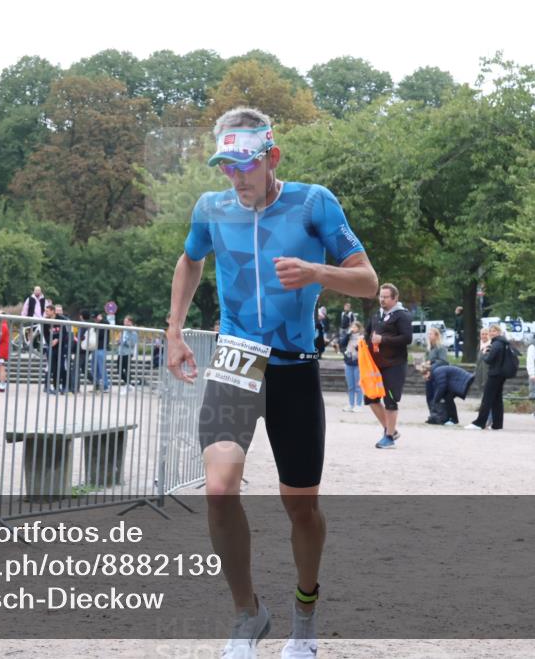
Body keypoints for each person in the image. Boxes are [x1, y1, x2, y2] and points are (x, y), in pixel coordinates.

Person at [165, 107, 377, 658]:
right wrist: (174, 331)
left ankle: (304, 617)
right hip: (236, 358)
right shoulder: (210, 209)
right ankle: (247, 614)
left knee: (300, 506)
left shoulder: (312, 202)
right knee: (217, 489)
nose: (236, 179)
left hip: (294, 364)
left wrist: (317, 272)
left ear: (271, 158)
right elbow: (189, 262)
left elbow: (368, 281)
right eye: (226, 167)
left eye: (245, 166)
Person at [366, 283, 412, 449]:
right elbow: (367, 334)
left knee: (390, 400)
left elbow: (407, 338)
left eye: (385, 297)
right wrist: (362, 347)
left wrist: (383, 340)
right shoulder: (376, 315)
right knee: (370, 398)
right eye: (381, 296)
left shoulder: (402, 316)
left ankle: (389, 437)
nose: (382, 300)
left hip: (395, 364)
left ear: (395, 298)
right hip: (376, 365)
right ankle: (390, 430)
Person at [466, 324, 510, 431]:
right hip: (500, 375)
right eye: (490, 331)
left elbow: (489, 359)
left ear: (498, 332)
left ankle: (479, 422)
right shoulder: (503, 343)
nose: (491, 333)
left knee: (487, 399)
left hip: (494, 374)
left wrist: (485, 353)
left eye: (494, 331)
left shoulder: (496, 344)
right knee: (497, 400)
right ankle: (497, 424)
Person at [422, 361, 474, 425]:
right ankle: (452, 419)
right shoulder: (436, 371)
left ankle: (453, 419)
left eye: (425, 374)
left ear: (428, 371)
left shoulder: (437, 372)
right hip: (464, 380)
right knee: (447, 397)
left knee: (447, 398)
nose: (425, 377)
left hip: (465, 381)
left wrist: (436, 400)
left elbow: (441, 387)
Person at [341, 321, 364, 412]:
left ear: (359, 328)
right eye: (352, 326)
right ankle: (351, 404)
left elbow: (363, 349)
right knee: (350, 386)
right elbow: (342, 343)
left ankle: (358, 405)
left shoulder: (362, 337)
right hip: (348, 362)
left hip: (358, 363)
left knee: (358, 386)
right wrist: (347, 334)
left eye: (355, 327)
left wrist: (358, 346)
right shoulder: (348, 337)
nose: (353, 328)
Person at [117, 315, 139, 393]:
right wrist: (119, 341)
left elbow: (132, 343)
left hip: (128, 353)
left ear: (130, 322)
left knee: (127, 370)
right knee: (119, 370)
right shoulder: (124, 330)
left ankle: (129, 385)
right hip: (121, 352)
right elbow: (120, 340)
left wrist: (123, 342)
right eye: (124, 321)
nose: (124, 323)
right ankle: (129, 385)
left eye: (126, 321)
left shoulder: (134, 331)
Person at [91, 312, 111, 392]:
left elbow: (101, 334)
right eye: (94, 318)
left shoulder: (104, 323)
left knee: (101, 368)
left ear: (100, 316)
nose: (95, 319)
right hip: (95, 347)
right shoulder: (97, 324)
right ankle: (97, 385)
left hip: (101, 348)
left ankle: (105, 386)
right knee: (94, 368)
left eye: (96, 317)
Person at [473, 327, 491, 392]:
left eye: (486, 334)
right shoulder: (479, 344)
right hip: (479, 370)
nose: (484, 336)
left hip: (487, 372)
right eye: (482, 334)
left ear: (489, 335)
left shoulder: (491, 345)